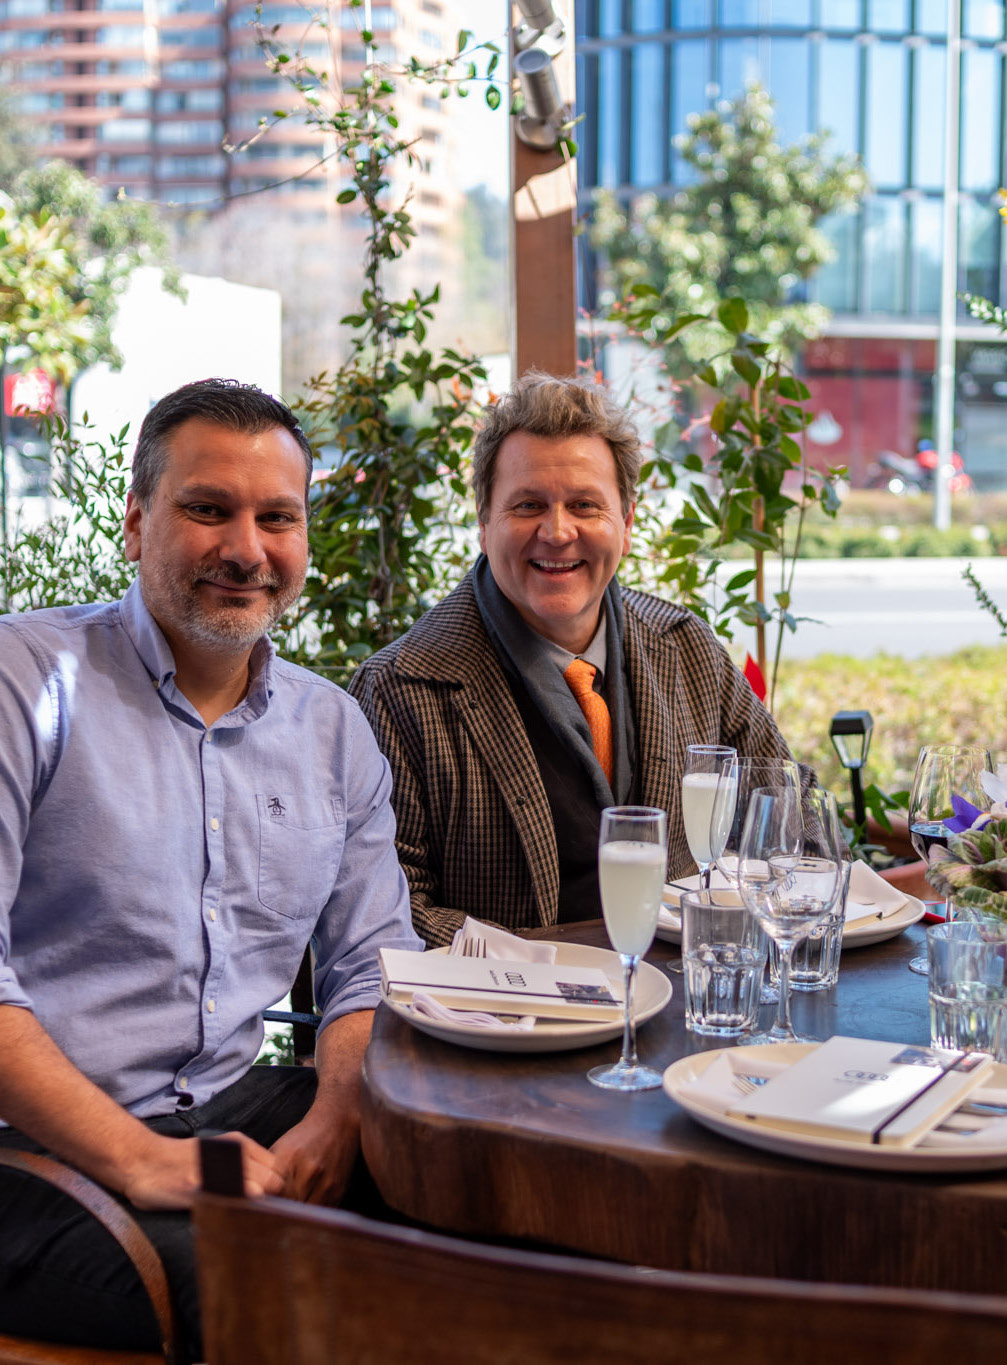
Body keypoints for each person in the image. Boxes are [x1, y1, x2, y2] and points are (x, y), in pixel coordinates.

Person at [0, 379, 421, 1360]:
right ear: (137, 522)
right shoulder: (22, 684)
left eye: (277, 517)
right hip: (27, 1146)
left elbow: (371, 962)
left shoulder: (333, 730)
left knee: (476, 1210)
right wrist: (143, 1161)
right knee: (299, 1301)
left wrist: (335, 1119)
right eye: (207, 509)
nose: (246, 548)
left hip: (233, 1111)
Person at [350, 371, 795, 944]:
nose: (558, 533)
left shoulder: (689, 650)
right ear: (484, 523)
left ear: (627, 523)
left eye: (585, 505)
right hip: (506, 1020)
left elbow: (786, 822)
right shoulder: (398, 689)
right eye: (528, 504)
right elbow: (385, 907)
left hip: (684, 1011)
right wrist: (544, 972)